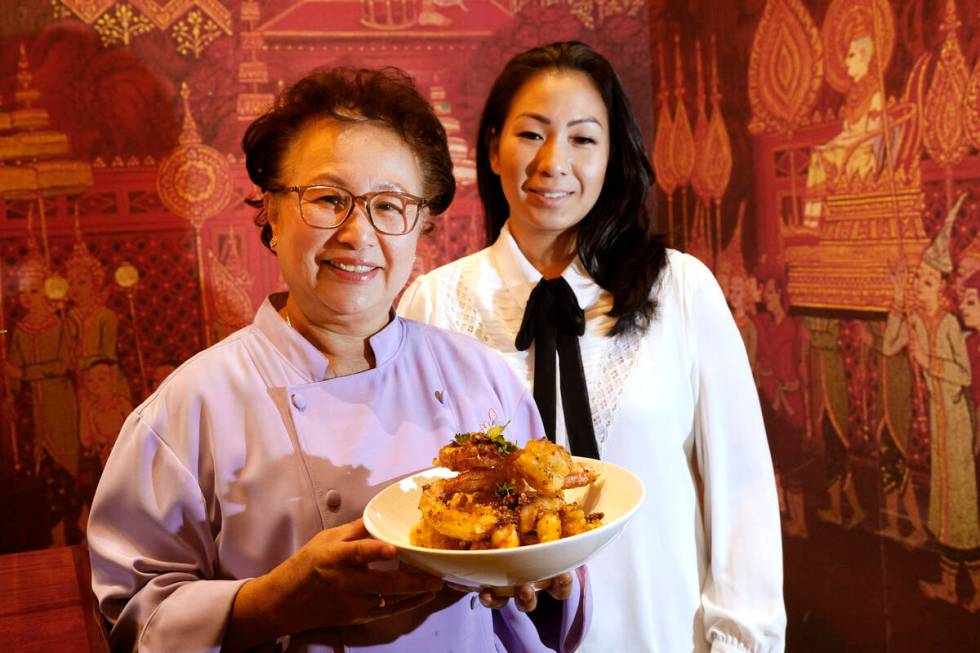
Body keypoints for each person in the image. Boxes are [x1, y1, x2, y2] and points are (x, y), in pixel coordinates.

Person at [87, 66, 586, 652]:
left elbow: (551, 566)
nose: (358, 233)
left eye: (389, 205)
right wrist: (276, 601)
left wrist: (545, 578)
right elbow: (130, 621)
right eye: (328, 199)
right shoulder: (190, 406)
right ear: (272, 212)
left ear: (420, 226)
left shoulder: (478, 375)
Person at [399, 41, 785, 652]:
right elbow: (420, 499)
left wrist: (741, 640)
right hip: (493, 634)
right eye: (531, 133)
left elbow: (742, 491)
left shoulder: (680, 289)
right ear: (494, 146)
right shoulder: (432, 304)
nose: (554, 162)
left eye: (582, 139)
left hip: (660, 627)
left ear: (612, 158)